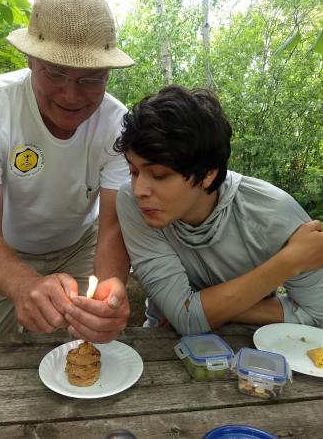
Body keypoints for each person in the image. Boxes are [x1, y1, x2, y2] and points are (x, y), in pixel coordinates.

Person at [0, 0, 135, 340]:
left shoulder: (118, 125)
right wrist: (21, 285)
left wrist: (110, 290)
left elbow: (111, 228)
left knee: (85, 343)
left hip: (79, 247)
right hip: (4, 249)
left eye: (91, 80)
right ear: (30, 60)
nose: (71, 95)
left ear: (108, 74)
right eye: (55, 73)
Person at [114, 85, 323, 335]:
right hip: (162, 345)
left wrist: (196, 309)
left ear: (207, 175)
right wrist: (288, 262)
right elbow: (184, 318)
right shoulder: (132, 203)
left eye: (159, 175)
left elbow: (318, 315)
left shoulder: (271, 213)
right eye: (133, 171)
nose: (139, 189)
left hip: (256, 349)